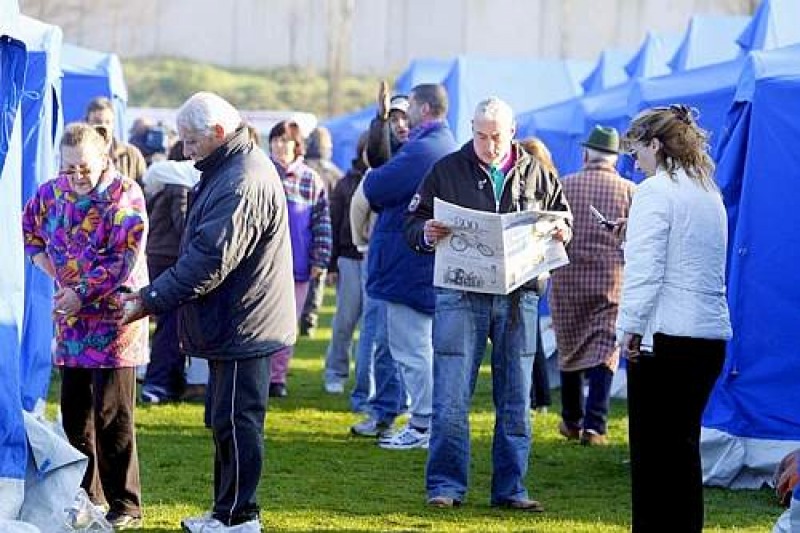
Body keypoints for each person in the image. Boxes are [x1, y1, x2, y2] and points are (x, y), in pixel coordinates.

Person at [121, 91, 296, 532]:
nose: (184, 148)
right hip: (235, 320)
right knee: (226, 422)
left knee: (237, 425)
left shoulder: (241, 180)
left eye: (191, 140)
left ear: (218, 134)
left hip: (245, 324)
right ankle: (226, 511)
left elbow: (209, 260)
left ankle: (239, 517)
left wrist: (149, 300)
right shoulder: (230, 168)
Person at [406, 97, 572, 510]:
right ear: (471, 130)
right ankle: (445, 486)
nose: (488, 144)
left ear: (512, 131)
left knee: (516, 396)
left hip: (520, 296)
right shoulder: (446, 170)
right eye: (480, 135)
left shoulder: (538, 172)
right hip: (460, 295)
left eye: (496, 136)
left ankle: (511, 489)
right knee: (450, 395)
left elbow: (563, 218)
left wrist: (561, 233)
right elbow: (410, 223)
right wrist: (425, 231)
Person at [22, 122, 149, 528]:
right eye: (69, 168)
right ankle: (87, 495)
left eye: (84, 168)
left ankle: (125, 504)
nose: (76, 176)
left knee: (112, 413)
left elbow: (123, 258)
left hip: (114, 322)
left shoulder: (125, 193)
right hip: (71, 324)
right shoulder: (51, 191)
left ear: (104, 160)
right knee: (75, 415)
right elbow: (29, 231)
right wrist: (48, 270)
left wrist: (80, 292)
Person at [618, 105, 732, 533]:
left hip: (665, 337)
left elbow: (647, 270)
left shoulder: (655, 191)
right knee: (683, 453)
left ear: (655, 145)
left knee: (652, 458)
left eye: (637, 150)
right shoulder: (708, 191)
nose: (634, 160)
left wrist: (627, 327)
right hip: (706, 337)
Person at [362, 83, 457, 450]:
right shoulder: (436, 144)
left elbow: (376, 185)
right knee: (418, 349)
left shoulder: (425, 149)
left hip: (409, 264)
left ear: (425, 108)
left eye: (412, 107)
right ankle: (425, 420)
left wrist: (374, 182)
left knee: (412, 350)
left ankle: (423, 424)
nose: (408, 115)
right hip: (417, 262)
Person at [547, 126, 635, 446]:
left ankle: (571, 420)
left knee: (570, 348)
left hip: (568, 280)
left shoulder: (563, 186)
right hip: (611, 281)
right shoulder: (629, 191)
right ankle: (595, 425)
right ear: (615, 159)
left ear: (586, 154)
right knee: (604, 352)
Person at [348, 83, 411, 429]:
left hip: (407, 256)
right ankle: (380, 404)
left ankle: (402, 407)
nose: (401, 125)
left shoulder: (421, 155)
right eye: (395, 119)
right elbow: (361, 200)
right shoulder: (391, 160)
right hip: (382, 255)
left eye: (405, 118)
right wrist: (380, 117)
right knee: (380, 335)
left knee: (404, 340)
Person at [267, 120, 332, 398]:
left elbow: (322, 223)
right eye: (276, 140)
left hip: (298, 267)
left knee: (287, 326)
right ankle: (257, 374)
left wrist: (321, 258)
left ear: (297, 146)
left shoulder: (310, 179)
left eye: (286, 141)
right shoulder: (262, 174)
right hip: (264, 268)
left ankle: (277, 378)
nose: (281, 146)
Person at [139, 140, 203, 404]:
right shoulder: (180, 185)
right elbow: (183, 223)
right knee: (172, 325)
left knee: (172, 324)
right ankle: (158, 382)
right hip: (170, 258)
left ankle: (170, 381)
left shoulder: (165, 182)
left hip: (161, 255)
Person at [322, 132, 368, 395]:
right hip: (350, 258)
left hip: (376, 259)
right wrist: (331, 265)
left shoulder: (388, 178)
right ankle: (335, 371)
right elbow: (334, 220)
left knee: (372, 329)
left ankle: (367, 378)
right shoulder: (345, 183)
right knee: (345, 321)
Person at [519, 138, 557, 414]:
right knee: (532, 338)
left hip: (524, 270)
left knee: (525, 339)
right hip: (540, 271)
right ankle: (539, 397)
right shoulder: (552, 183)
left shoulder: (529, 185)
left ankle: (534, 396)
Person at [298, 126, 343, 338]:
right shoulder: (334, 173)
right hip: (326, 232)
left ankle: (297, 318)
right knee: (317, 278)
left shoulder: (301, 168)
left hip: (300, 231)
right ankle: (309, 320)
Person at [85, 97, 147, 186]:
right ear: (87, 123)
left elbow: (144, 191)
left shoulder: (132, 154)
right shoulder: (78, 155)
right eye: (97, 122)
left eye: (107, 122)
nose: (103, 126)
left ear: (113, 124)